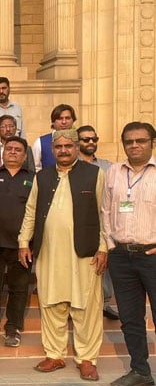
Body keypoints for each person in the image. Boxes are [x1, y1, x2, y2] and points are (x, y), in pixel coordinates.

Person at [18, 128, 106, 381]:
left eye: (69, 146)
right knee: (51, 303)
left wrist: (103, 247)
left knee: (85, 306)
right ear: (53, 150)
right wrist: (24, 241)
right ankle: (55, 354)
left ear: (77, 147)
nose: (64, 150)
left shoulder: (94, 174)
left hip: (85, 252)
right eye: (59, 147)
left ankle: (87, 359)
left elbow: (104, 214)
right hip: (49, 251)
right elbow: (31, 210)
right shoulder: (42, 176)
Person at [102, 122, 156, 386]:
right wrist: (111, 244)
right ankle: (140, 370)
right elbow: (105, 210)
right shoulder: (113, 171)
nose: (135, 145)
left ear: (151, 143)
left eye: (141, 140)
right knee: (131, 318)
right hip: (122, 257)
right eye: (129, 141)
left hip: (153, 255)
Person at [0, 137, 34, 347]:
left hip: (22, 247)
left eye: (18, 150)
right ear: (3, 152)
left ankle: (13, 329)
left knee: (18, 289)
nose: (12, 152)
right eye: (9, 148)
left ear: (24, 155)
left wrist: (31, 243)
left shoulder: (33, 179)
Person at [76, 125, 118, 320]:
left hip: (104, 220)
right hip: (79, 223)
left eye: (94, 139)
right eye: (86, 139)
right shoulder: (72, 166)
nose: (91, 142)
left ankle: (105, 302)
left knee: (104, 262)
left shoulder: (108, 166)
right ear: (77, 143)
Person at [31, 104, 76, 171]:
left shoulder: (80, 141)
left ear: (73, 120)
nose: (64, 122)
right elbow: (35, 168)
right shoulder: (40, 142)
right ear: (53, 122)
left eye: (67, 118)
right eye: (60, 119)